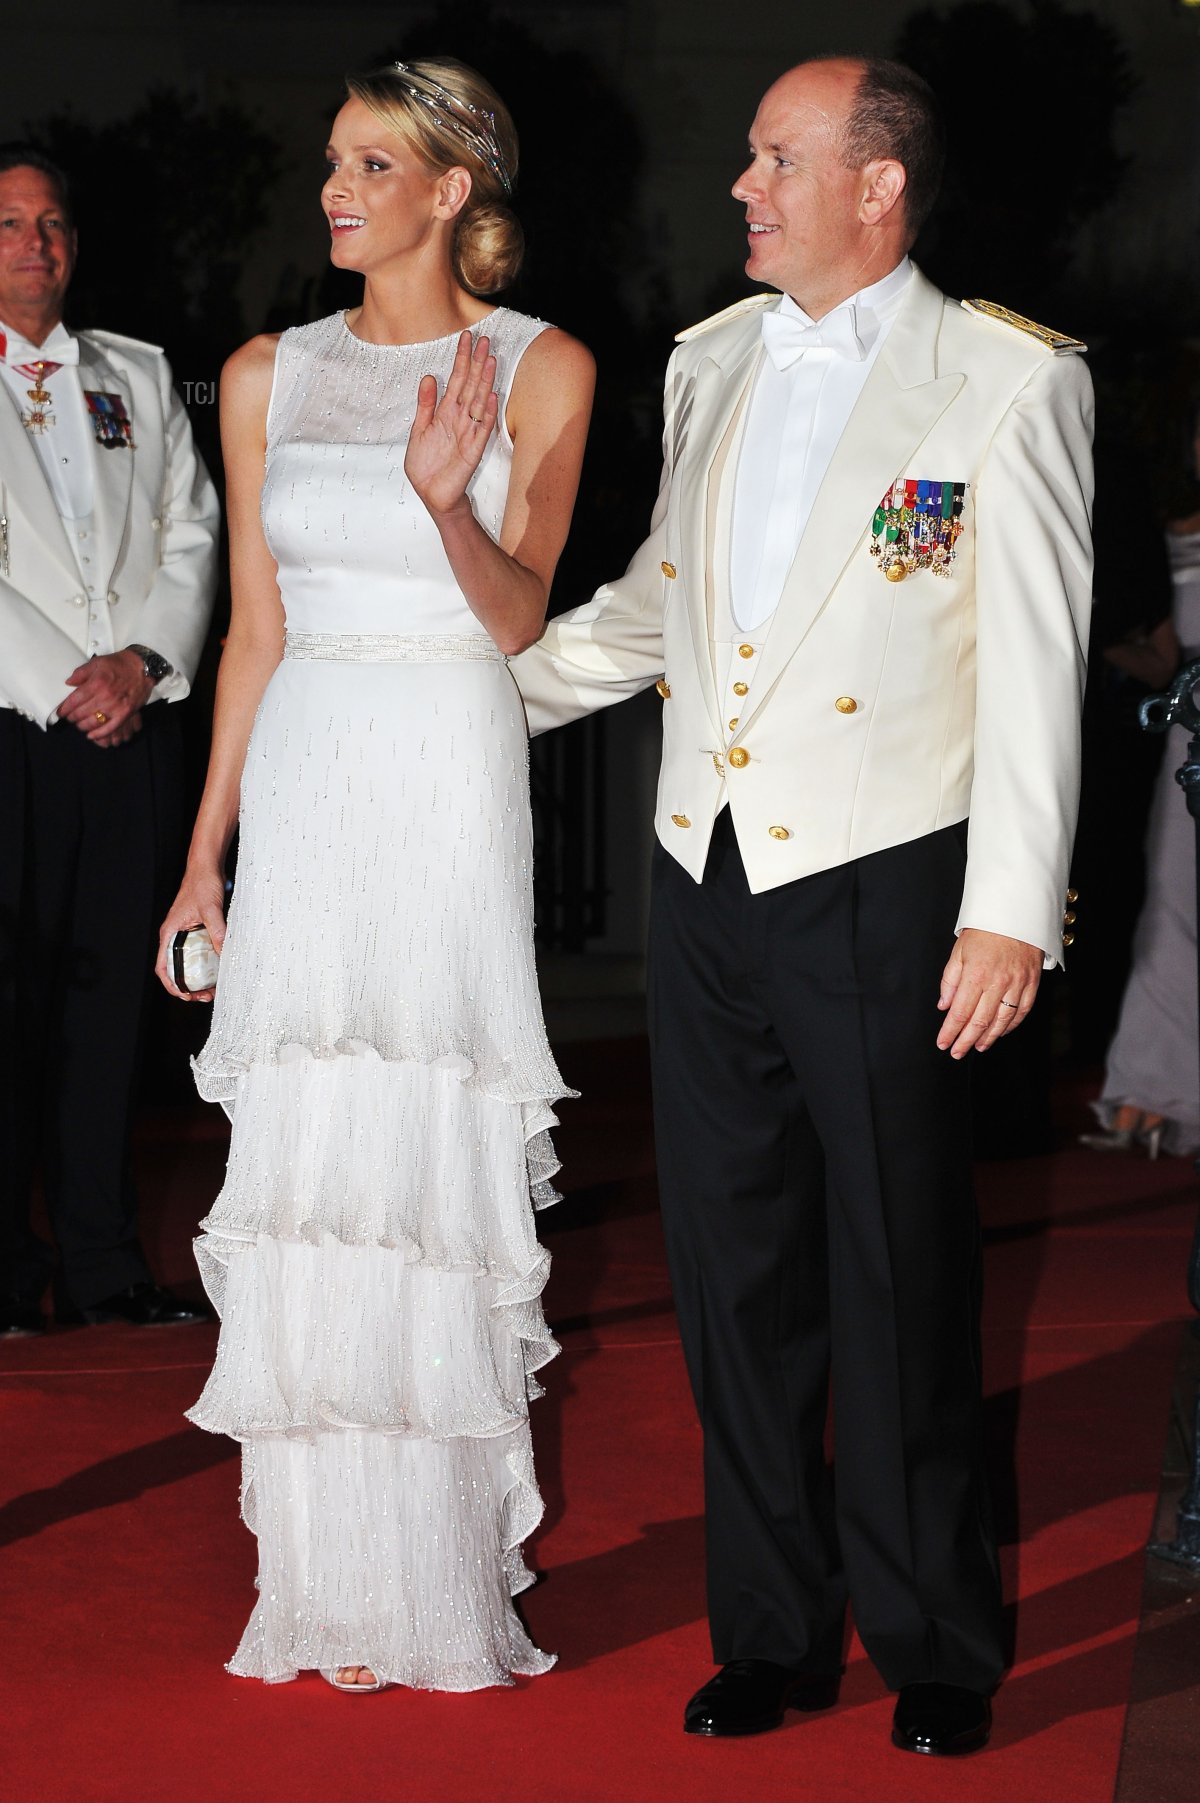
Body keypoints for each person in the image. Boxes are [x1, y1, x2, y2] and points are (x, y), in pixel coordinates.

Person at [513, 56, 1093, 1757]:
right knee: (734, 1273)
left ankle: (934, 1638)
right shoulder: (711, 360)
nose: (744, 188)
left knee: (901, 1270)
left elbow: (1039, 663)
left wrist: (1011, 908)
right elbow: (653, 608)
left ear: (878, 185)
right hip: (708, 879)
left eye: (778, 159)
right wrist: (457, 701)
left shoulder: (1006, 378)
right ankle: (769, 1629)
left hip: (888, 879)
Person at [157, 58, 593, 1692]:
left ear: (452, 189)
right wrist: (205, 858)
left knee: (423, 1145)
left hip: (447, 757)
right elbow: (252, 630)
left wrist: (442, 503)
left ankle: (438, 1578)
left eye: (371, 164)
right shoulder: (265, 369)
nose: (335, 189)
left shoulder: (544, 364)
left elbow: (517, 615)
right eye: (332, 160)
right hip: (309, 763)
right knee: (317, 1151)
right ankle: (329, 1582)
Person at [0, 144, 218, 1335]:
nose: (35, 244)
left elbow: (194, 533)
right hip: (11, 730)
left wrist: (143, 665)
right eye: (9, 224)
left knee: (108, 1013)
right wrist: (63, 684)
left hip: (131, 726)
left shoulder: (136, 372)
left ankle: (102, 1264)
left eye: (51, 224)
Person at [1082, 421, 1200, 1159]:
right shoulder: (1162, 532)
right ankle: (1149, 1092)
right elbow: (1156, 659)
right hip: (1189, 742)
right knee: (1170, 908)